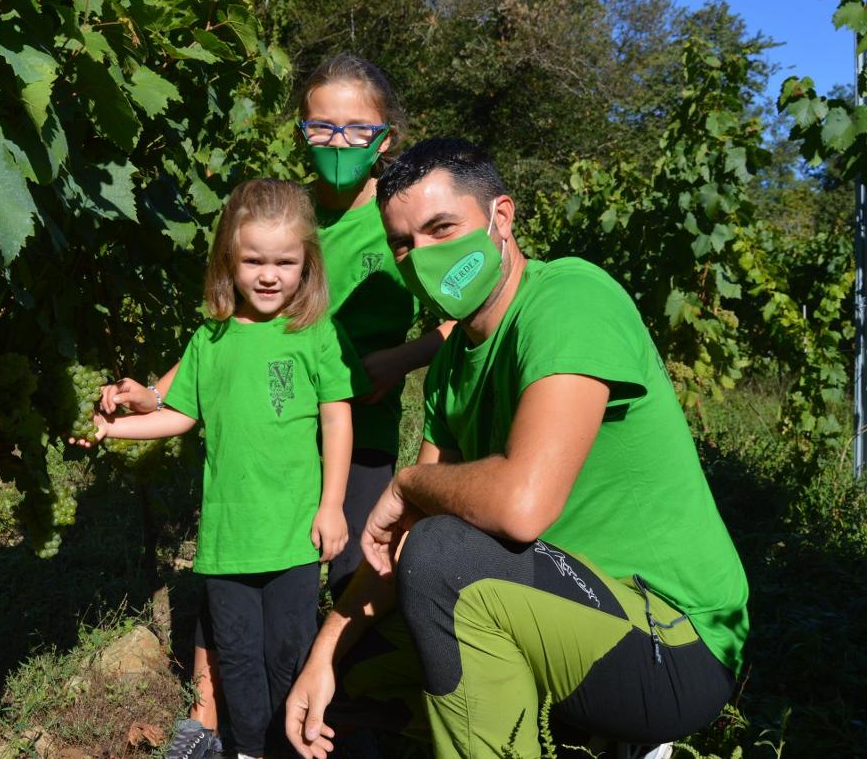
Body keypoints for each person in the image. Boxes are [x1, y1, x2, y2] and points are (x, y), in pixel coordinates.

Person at [285, 138, 750, 759]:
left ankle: (615, 734)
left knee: (441, 554)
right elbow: (403, 540)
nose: (423, 256)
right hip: (560, 601)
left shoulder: (568, 300)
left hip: (672, 645)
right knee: (352, 677)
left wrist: (404, 485)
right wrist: (324, 655)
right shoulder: (451, 366)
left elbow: (518, 507)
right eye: (404, 243)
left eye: (442, 227)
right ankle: (564, 728)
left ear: (501, 218)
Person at [90, 55, 453, 756]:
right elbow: (223, 340)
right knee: (239, 570)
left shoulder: (403, 218)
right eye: (323, 127)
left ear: (387, 135)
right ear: (303, 131)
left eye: (356, 130)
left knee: (352, 574)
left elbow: (463, 316)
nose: (338, 144)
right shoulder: (284, 215)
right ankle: (212, 713)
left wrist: (397, 359)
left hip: (357, 423)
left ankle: (327, 708)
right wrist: (152, 395)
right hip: (269, 428)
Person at [92, 179, 358, 759]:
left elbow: (338, 419)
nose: (269, 275)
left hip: (292, 536)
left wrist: (332, 504)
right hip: (227, 540)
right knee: (236, 656)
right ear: (227, 262)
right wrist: (113, 428)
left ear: (306, 264)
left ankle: (295, 746)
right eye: (253, 261)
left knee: (289, 653)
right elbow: (178, 414)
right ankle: (247, 747)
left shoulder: (312, 335)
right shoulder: (209, 339)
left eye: (285, 261)